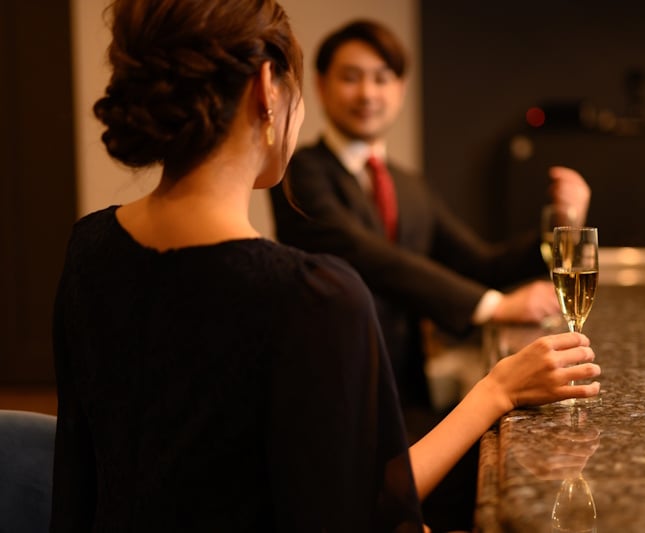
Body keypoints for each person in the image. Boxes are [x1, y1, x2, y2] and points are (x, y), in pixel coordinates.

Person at [50, 1, 601, 532]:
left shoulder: (89, 246)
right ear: (269, 89)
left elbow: (79, 476)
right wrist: (496, 389)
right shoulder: (314, 294)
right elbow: (367, 512)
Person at [269, 19, 592, 411]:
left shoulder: (408, 184)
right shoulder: (299, 173)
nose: (368, 93)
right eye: (351, 77)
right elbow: (367, 255)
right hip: (328, 385)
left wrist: (564, 227)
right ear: (320, 85)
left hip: (403, 389)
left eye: (382, 78)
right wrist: (493, 306)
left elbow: (481, 263)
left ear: (401, 89)